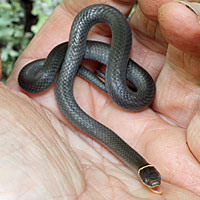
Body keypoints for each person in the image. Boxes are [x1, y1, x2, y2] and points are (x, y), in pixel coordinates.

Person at [0, 0, 200, 199]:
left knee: (85, 68)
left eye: (152, 180)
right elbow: (31, 78)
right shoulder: (40, 75)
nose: (154, 182)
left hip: (74, 61)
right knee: (68, 63)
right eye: (153, 179)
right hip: (62, 60)